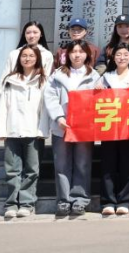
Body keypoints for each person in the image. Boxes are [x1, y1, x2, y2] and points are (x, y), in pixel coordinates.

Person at [44, 39, 100, 218]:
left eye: (81, 52)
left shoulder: (95, 76)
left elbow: (99, 101)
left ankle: (80, 200)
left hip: (84, 128)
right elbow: (50, 97)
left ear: (87, 55)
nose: (77, 55)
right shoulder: (57, 75)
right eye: (73, 51)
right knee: (62, 164)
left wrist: (100, 90)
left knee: (82, 164)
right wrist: (59, 117)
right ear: (67, 54)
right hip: (62, 126)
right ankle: (63, 200)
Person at [0, 44, 50, 219]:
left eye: (31, 56)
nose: (27, 59)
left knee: (32, 170)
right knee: (12, 169)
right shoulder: (10, 80)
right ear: (19, 59)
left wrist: (43, 130)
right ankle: (11, 204)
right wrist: (2, 130)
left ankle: (27, 203)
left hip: (33, 131)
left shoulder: (43, 80)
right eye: (24, 56)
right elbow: (3, 106)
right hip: (12, 130)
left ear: (37, 58)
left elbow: (45, 108)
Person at [96, 42, 129, 216]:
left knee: (128, 164)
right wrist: (97, 90)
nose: (122, 58)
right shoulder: (105, 77)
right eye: (118, 55)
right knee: (108, 164)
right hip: (109, 126)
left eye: (125, 54)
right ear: (112, 57)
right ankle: (108, 201)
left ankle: (125, 201)